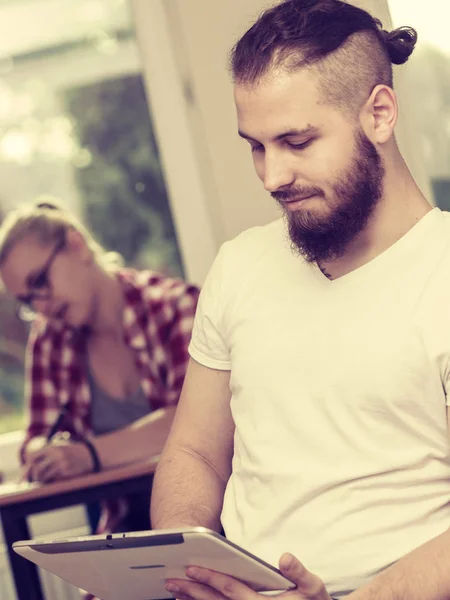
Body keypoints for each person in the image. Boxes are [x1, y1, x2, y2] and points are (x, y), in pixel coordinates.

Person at [150, 1, 450, 599]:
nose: (271, 176)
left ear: (381, 114)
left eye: (296, 141)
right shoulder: (240, 265)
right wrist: (194, 572)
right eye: (256, 146)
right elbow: (194, 454)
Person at [0, 201, 199, 534]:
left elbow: (197, 422)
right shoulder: (49, 340)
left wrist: (88, 455)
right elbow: (36, 437)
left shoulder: (176, 307)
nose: (41, 305)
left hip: (210, 519)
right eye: (27, 300)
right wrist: (45, 455)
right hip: (126, 530)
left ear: (77, 246)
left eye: (40, 282)